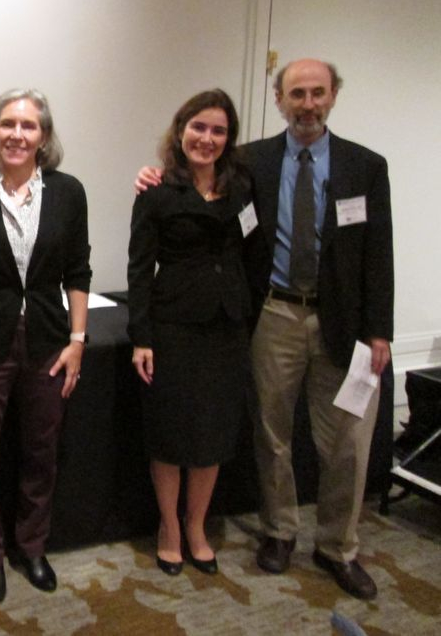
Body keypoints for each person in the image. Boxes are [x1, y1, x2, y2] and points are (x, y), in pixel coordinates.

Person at [136, 60, 393, 599]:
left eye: (317, 92)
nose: (308, 103)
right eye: (297, 93)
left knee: (348, 441)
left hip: (343, 322)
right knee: (271, 434)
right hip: (273, 314)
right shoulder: (252, 162)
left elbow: (378, 253)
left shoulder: (366, 166)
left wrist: (379, 330)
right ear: (279, 100)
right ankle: (279, 531)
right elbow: (191, 183)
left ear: (333, 96)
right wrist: (151, 174)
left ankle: (337, 547)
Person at [0, 89, 90, 602]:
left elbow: (78, 271)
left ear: (43, 136)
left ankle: (31, 547)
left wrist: (78, 340)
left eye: (28, 126)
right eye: (6, 124)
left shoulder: (68, 193)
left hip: (49, 340)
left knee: (41, 451)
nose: (16, 134)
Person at [127, 89, 253, 577]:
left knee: (212, 435)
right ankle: (169, 528)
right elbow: (140, 270)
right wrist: (141, 337)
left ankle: (196, 526)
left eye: (218, 130)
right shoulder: (156, 191)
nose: (207, 138)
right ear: (181, 130)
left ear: (229, 138)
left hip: (227, 329)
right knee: (171, 434)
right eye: (198, 127)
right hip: (173, 327)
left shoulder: (243, 187)